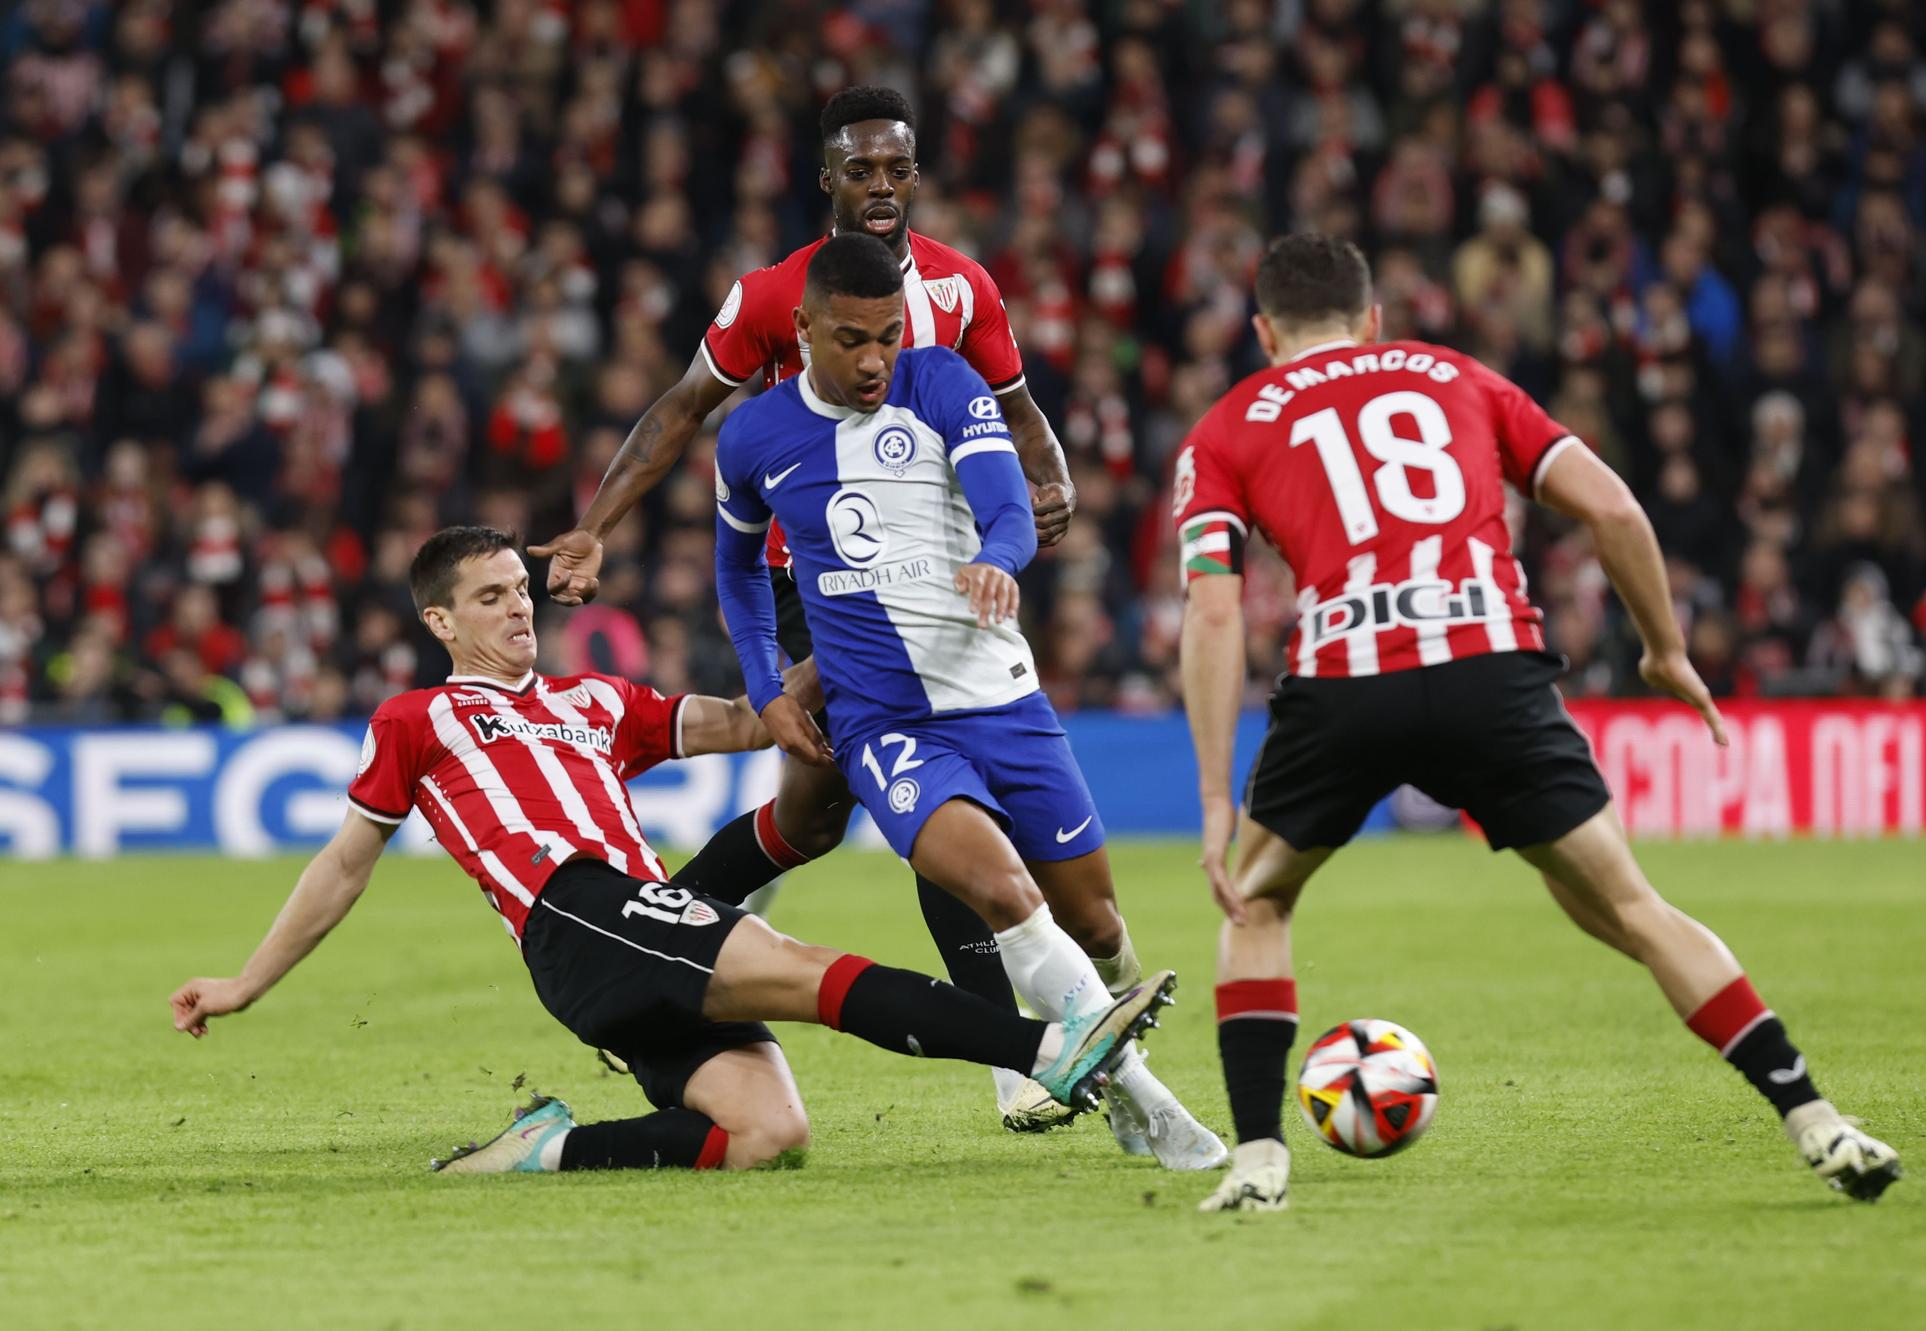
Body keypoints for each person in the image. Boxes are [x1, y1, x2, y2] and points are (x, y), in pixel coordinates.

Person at [1176, 235, 1902, 1212]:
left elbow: (1213, 608)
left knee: (1255, 904)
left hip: (1347, 676)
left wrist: (1219, 797)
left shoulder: (1225, 427)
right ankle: (1813, 1116)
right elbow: (1611, 507)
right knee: (1631, 905)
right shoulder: (1460, 376)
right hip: (1488, 667)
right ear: (1372, 317)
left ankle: (1259, 1157)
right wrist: (1664, 649)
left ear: (1263, 332)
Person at [168, 525, 1175, 1174]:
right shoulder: (418, 718)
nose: (518, 605)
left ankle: (540, 1150)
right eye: (489, 597)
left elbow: (748, 718)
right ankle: (1051, 1048)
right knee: (795, 966)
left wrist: (866, 627)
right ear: (439, 620)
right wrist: (248, 980)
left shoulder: (597, 702)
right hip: (577, 911)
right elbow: (345, 859)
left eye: (520, 588)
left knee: (766, 1133)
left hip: (629, 931)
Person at [528, 86, 1082, 1132]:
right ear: (823, 178)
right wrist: (594, 522)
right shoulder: (771, 296)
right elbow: (682, 409)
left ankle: (652, 939)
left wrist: (1048, 476)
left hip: (941, 571)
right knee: (921, 785)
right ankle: (1009, 1051)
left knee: (809, 816)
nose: (879, 188)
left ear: (916, 175)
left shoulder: (963, 290)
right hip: (817, 581)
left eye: (895, 169)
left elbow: (1014, 405)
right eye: (858, 170)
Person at [709, 234, 1225, 1170]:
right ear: (804, 329)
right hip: (884, 723)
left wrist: (997, 554)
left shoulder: (944, 381)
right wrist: (761, 683)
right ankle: (1156, 1112)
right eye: (852, 339)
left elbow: (1010, 506)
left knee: (1101, 928)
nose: (874, 361)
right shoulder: (752, 435)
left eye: (888, 338)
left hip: (1003, 700)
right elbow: (738, 566)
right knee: (1004, 894)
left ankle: (1107, 1071)